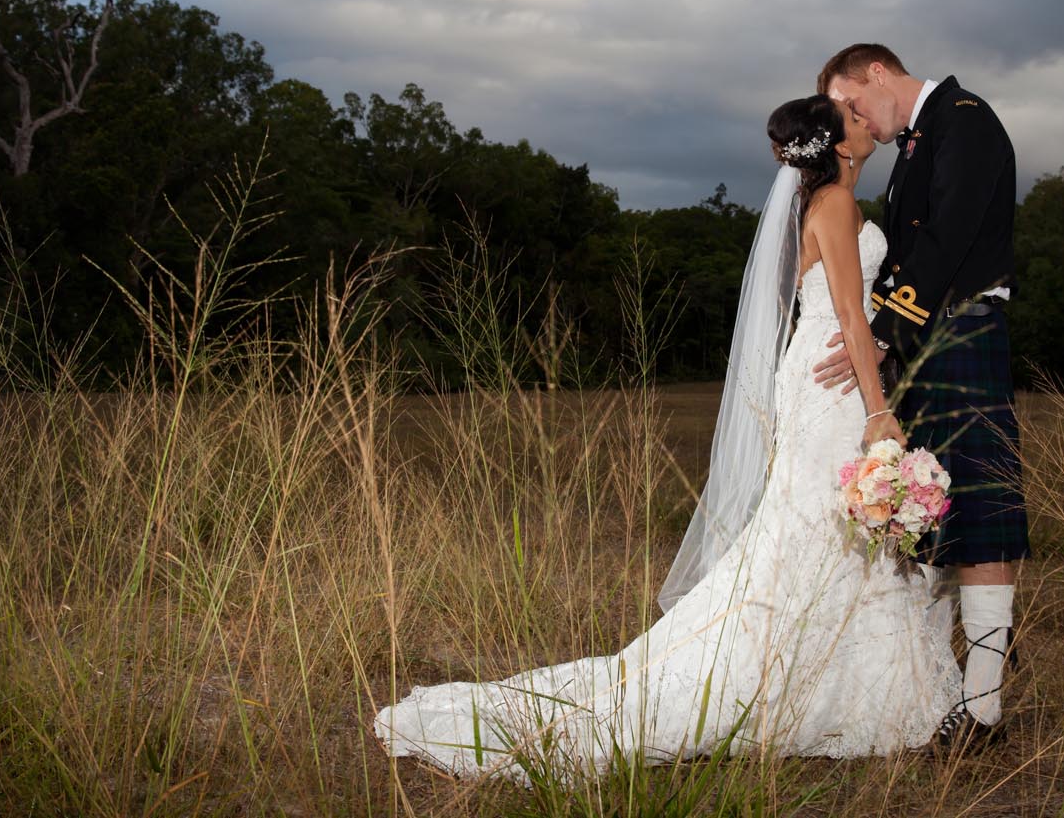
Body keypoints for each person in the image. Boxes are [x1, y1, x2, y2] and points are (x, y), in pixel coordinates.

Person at [373, 94, 961, 780]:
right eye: (855, 116)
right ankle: (779, 673)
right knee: (819, 520)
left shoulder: (834, 200)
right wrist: (876, 410)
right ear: (838, 141)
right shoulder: (833, 204)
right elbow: (856, 323)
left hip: (820, 368)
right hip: (834, 381)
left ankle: (854, 671)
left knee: (830, 523)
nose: (866, 118)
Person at [812, 43, 1028, 750]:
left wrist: (881, 330)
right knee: (938, 509)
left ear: (878, 72)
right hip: (929, 342)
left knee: (982, 508)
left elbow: (947, 237)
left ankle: (983, 708)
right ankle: (964, 675)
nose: (855, 121)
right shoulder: (917, 143)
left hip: (962, 332)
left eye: (852, 103)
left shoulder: (966, 120)